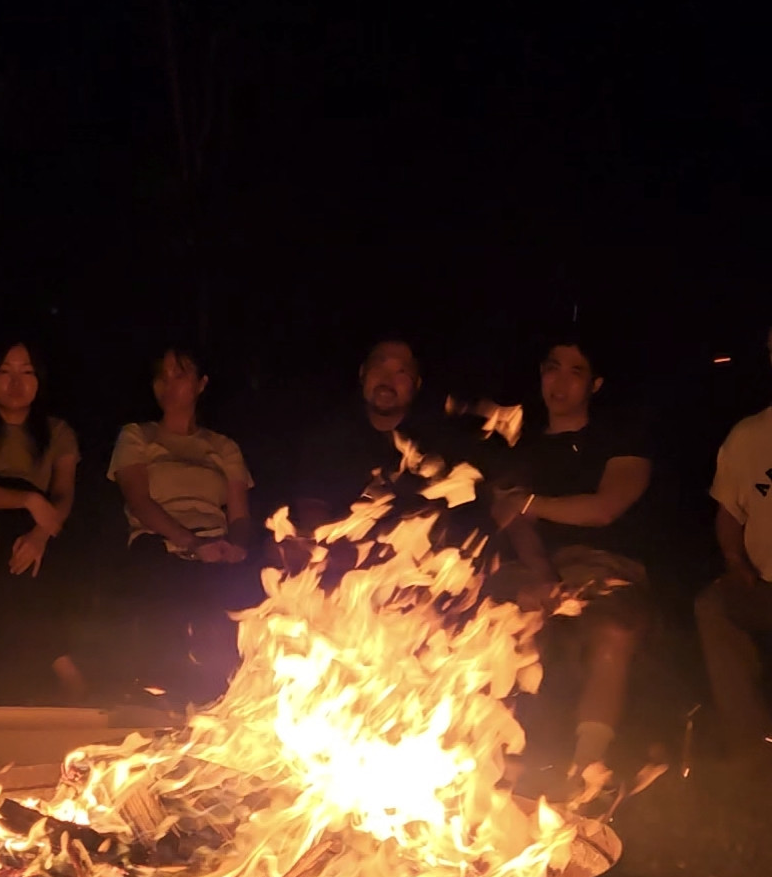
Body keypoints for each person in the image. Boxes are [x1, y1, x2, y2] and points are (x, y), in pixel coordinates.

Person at [489, 330, 652, 797]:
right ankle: (497, 765)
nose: (559, 382)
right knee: (498, 617)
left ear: (595, 384)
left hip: (604, 562)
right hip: (534, 564)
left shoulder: (621, 440)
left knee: (613, 630)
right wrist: (543, 577)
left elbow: (604, 508)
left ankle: (586, 773)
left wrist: (531, 503)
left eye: (575, 371)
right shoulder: (517, 446)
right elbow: (512, 522)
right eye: (551, 368)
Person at [108, 345, 255, 703]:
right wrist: (191, 543)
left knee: (243, 590)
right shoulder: (137, 436)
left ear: (201, 383)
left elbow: (239, 516)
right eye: (161, 376)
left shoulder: (223, 447)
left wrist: (235, 547)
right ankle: (160, 689)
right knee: (164, 584)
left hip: (214, 545)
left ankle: (227, 695)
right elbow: (139, 501)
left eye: (179, 375)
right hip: (158, 541)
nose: (168, 384)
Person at [0, 338, 83, 700]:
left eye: (27, 372)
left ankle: (22, 677)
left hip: (41, 529)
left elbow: (64, 495)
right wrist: (27, 499)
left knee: (31, 555)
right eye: (5, 372)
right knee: (9, 545)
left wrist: (40, 534)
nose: (16, 382)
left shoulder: (58, 432)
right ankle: (61, 665)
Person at [695, 325, 772, 753]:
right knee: (714, 606)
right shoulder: (749, 436)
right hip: (764, 585)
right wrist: (735, 561)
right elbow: (729, 514)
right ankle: (751, 741)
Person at [295, 337, 456, 534]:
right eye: (379, 368)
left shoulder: (441, 439)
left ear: (417, 384)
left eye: (401, 372)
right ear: (362, 373)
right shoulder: (329, 435)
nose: (387, 380)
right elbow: (311, 506)